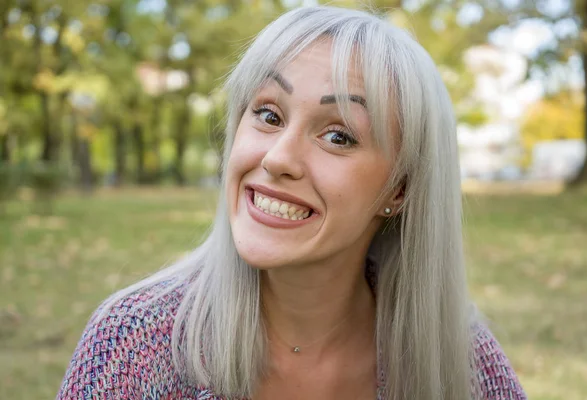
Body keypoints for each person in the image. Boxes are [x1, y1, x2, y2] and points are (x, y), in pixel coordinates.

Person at [57, 6, 526, 400]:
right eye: (268, 114)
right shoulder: (132, 344)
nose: (278, 157)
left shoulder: (464, 366)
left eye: (338, 135)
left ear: (399, 190)